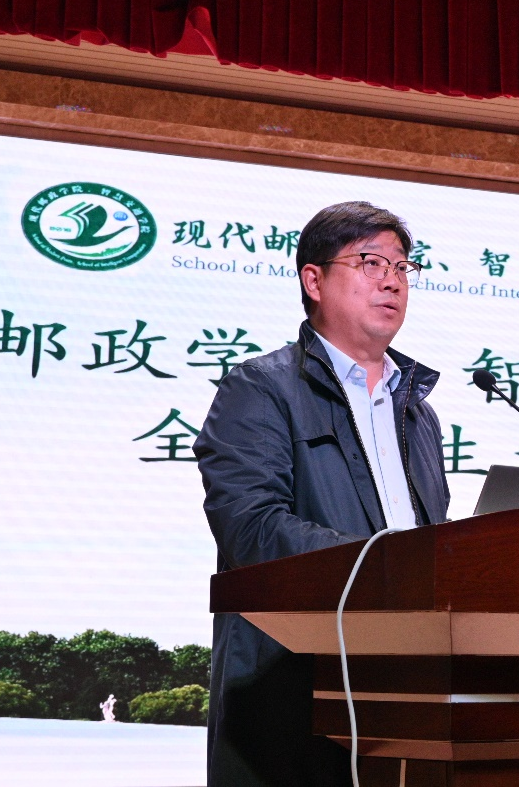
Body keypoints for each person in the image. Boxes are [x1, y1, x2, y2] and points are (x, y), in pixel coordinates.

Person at [195, 201, 451, 787]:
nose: (392, 280)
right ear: (313, 280)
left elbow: (432, 542)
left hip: (406, 696)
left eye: (402, 267)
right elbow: (252, 529)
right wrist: (389, 566)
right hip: (293, 695)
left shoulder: (418, 413)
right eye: (370, 262)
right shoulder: (260, 389)